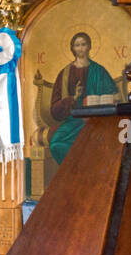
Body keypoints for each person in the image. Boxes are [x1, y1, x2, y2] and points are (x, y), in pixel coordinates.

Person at [48, 32, 118, 164]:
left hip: (97, 119)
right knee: (56, 144)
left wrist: (109, 98)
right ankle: (77, 169)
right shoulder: (65, 74)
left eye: (83, 44)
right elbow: (55, 109)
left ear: (89, 46)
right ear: (72, 48)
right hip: (74, 120)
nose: (80, 48)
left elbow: (114, 94)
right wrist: (74, 97)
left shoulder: (99, 71)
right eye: (77, 45)